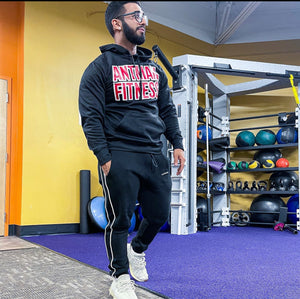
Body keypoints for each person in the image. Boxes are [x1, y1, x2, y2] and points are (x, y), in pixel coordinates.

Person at [78, 1, 185, 298]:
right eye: (136, 16)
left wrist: (177, 143)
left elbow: (167, 110)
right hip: (120, 152)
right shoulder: (99, 69)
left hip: (154, 152)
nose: (144, 22)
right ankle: (120, 277)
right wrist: (104, 156)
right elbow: (91, 116)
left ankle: (137, 250)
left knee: (159, 214)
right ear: (116, 23)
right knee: (121, 219)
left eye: (144, 16)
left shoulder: (154, 70)